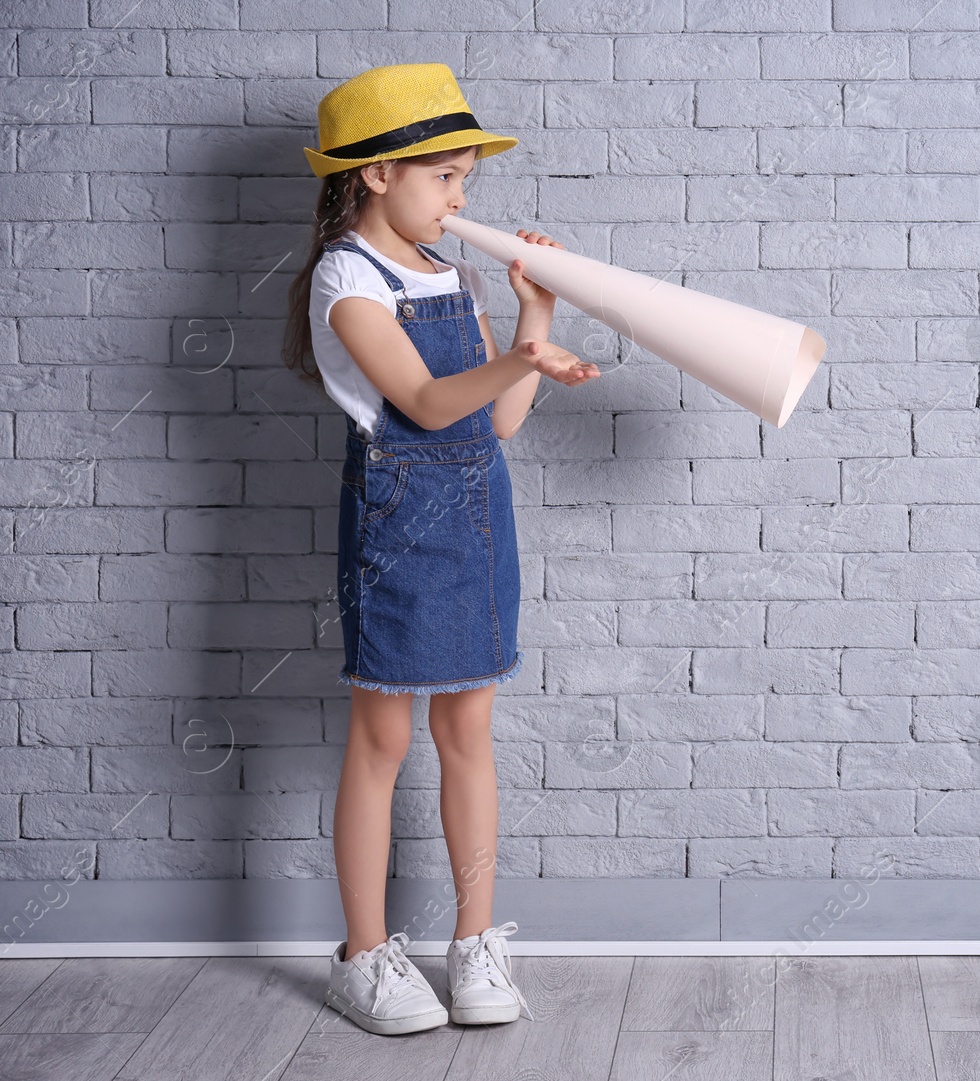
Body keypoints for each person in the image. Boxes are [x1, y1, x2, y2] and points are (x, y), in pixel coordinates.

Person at [281, 62, 600, 1036]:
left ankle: (472, 948)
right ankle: (364, 955)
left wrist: (533, 310)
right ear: (375, 175)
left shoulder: (448, 274)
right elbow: (421, 403)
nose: (461, 200)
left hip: (479, 514)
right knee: (380, 740)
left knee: (469, 735)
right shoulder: (348, 278)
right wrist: (520, 355)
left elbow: (497, 421)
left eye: (466, 181)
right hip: (398, 519)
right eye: (445, 178)